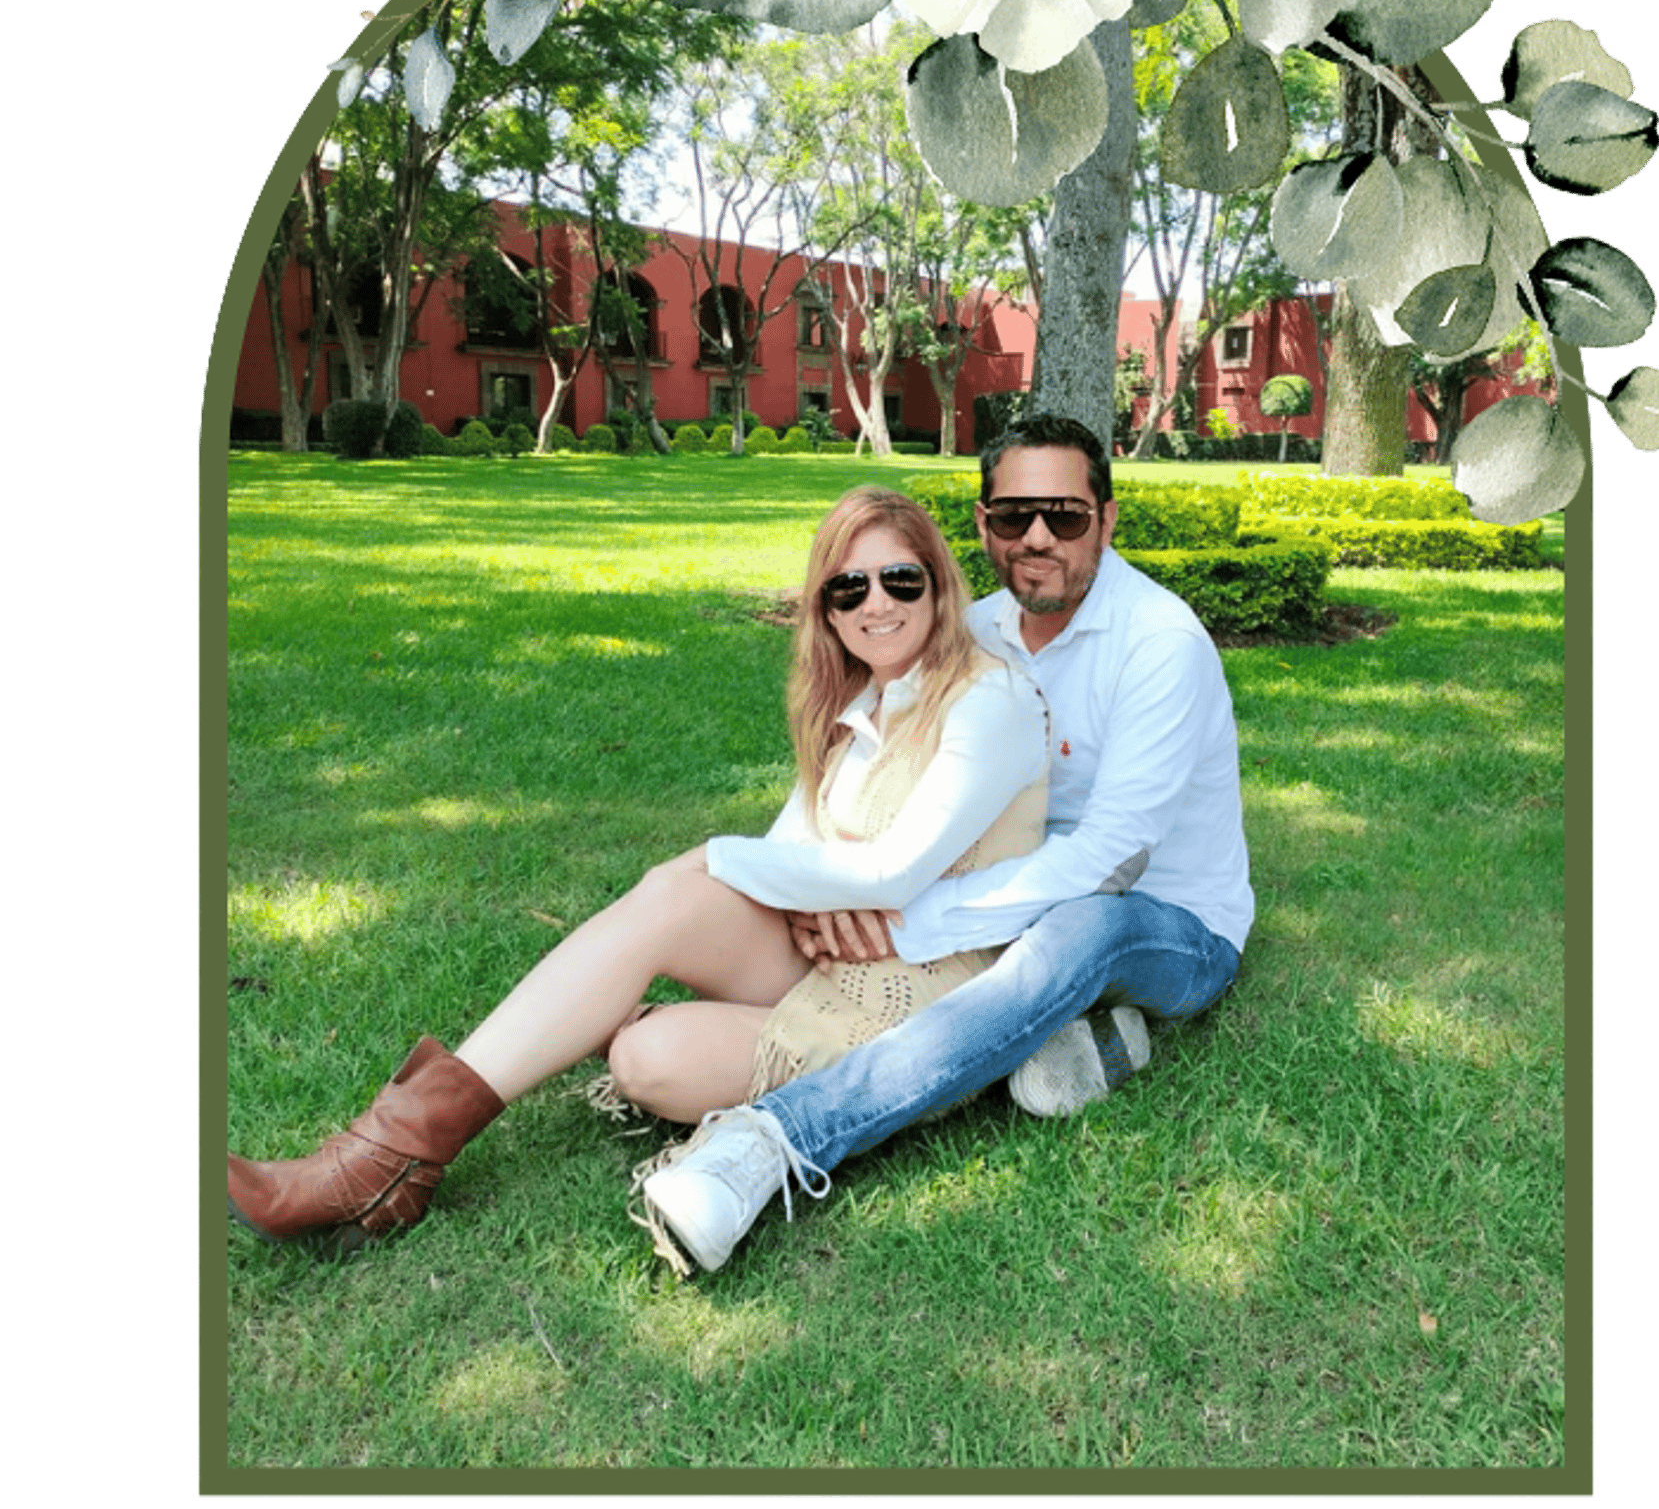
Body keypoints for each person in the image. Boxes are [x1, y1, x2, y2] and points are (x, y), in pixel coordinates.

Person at [226, 485, 1048, 1255]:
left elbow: (891, 875)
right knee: (674, 905)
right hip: (826, 955)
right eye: (848, 588)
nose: (876, 604)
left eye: (900, 580)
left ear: (938, 586)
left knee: (644, 1058)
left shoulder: (992, 699)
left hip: (925, 1000)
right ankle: (391, 1153)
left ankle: (561, 1032)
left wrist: (726, 858)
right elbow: (793, 855)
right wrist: (807, 895)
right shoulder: (857, 709)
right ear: (825, 611)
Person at [637, 413, 1253, 1273]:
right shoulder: (976, 632)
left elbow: (1110, 862)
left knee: (1078, 931)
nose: (1037, 537)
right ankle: (1080, 1039)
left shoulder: (1161, 644)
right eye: (1014, 516)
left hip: (1165, 922)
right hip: (1005, 905)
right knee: (1028, 964)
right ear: (983, 524)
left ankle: (774, 1142)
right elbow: (874, 758)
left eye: (1065, 515)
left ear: (1107, 520)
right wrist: (829, 886)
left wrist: (909, 917)